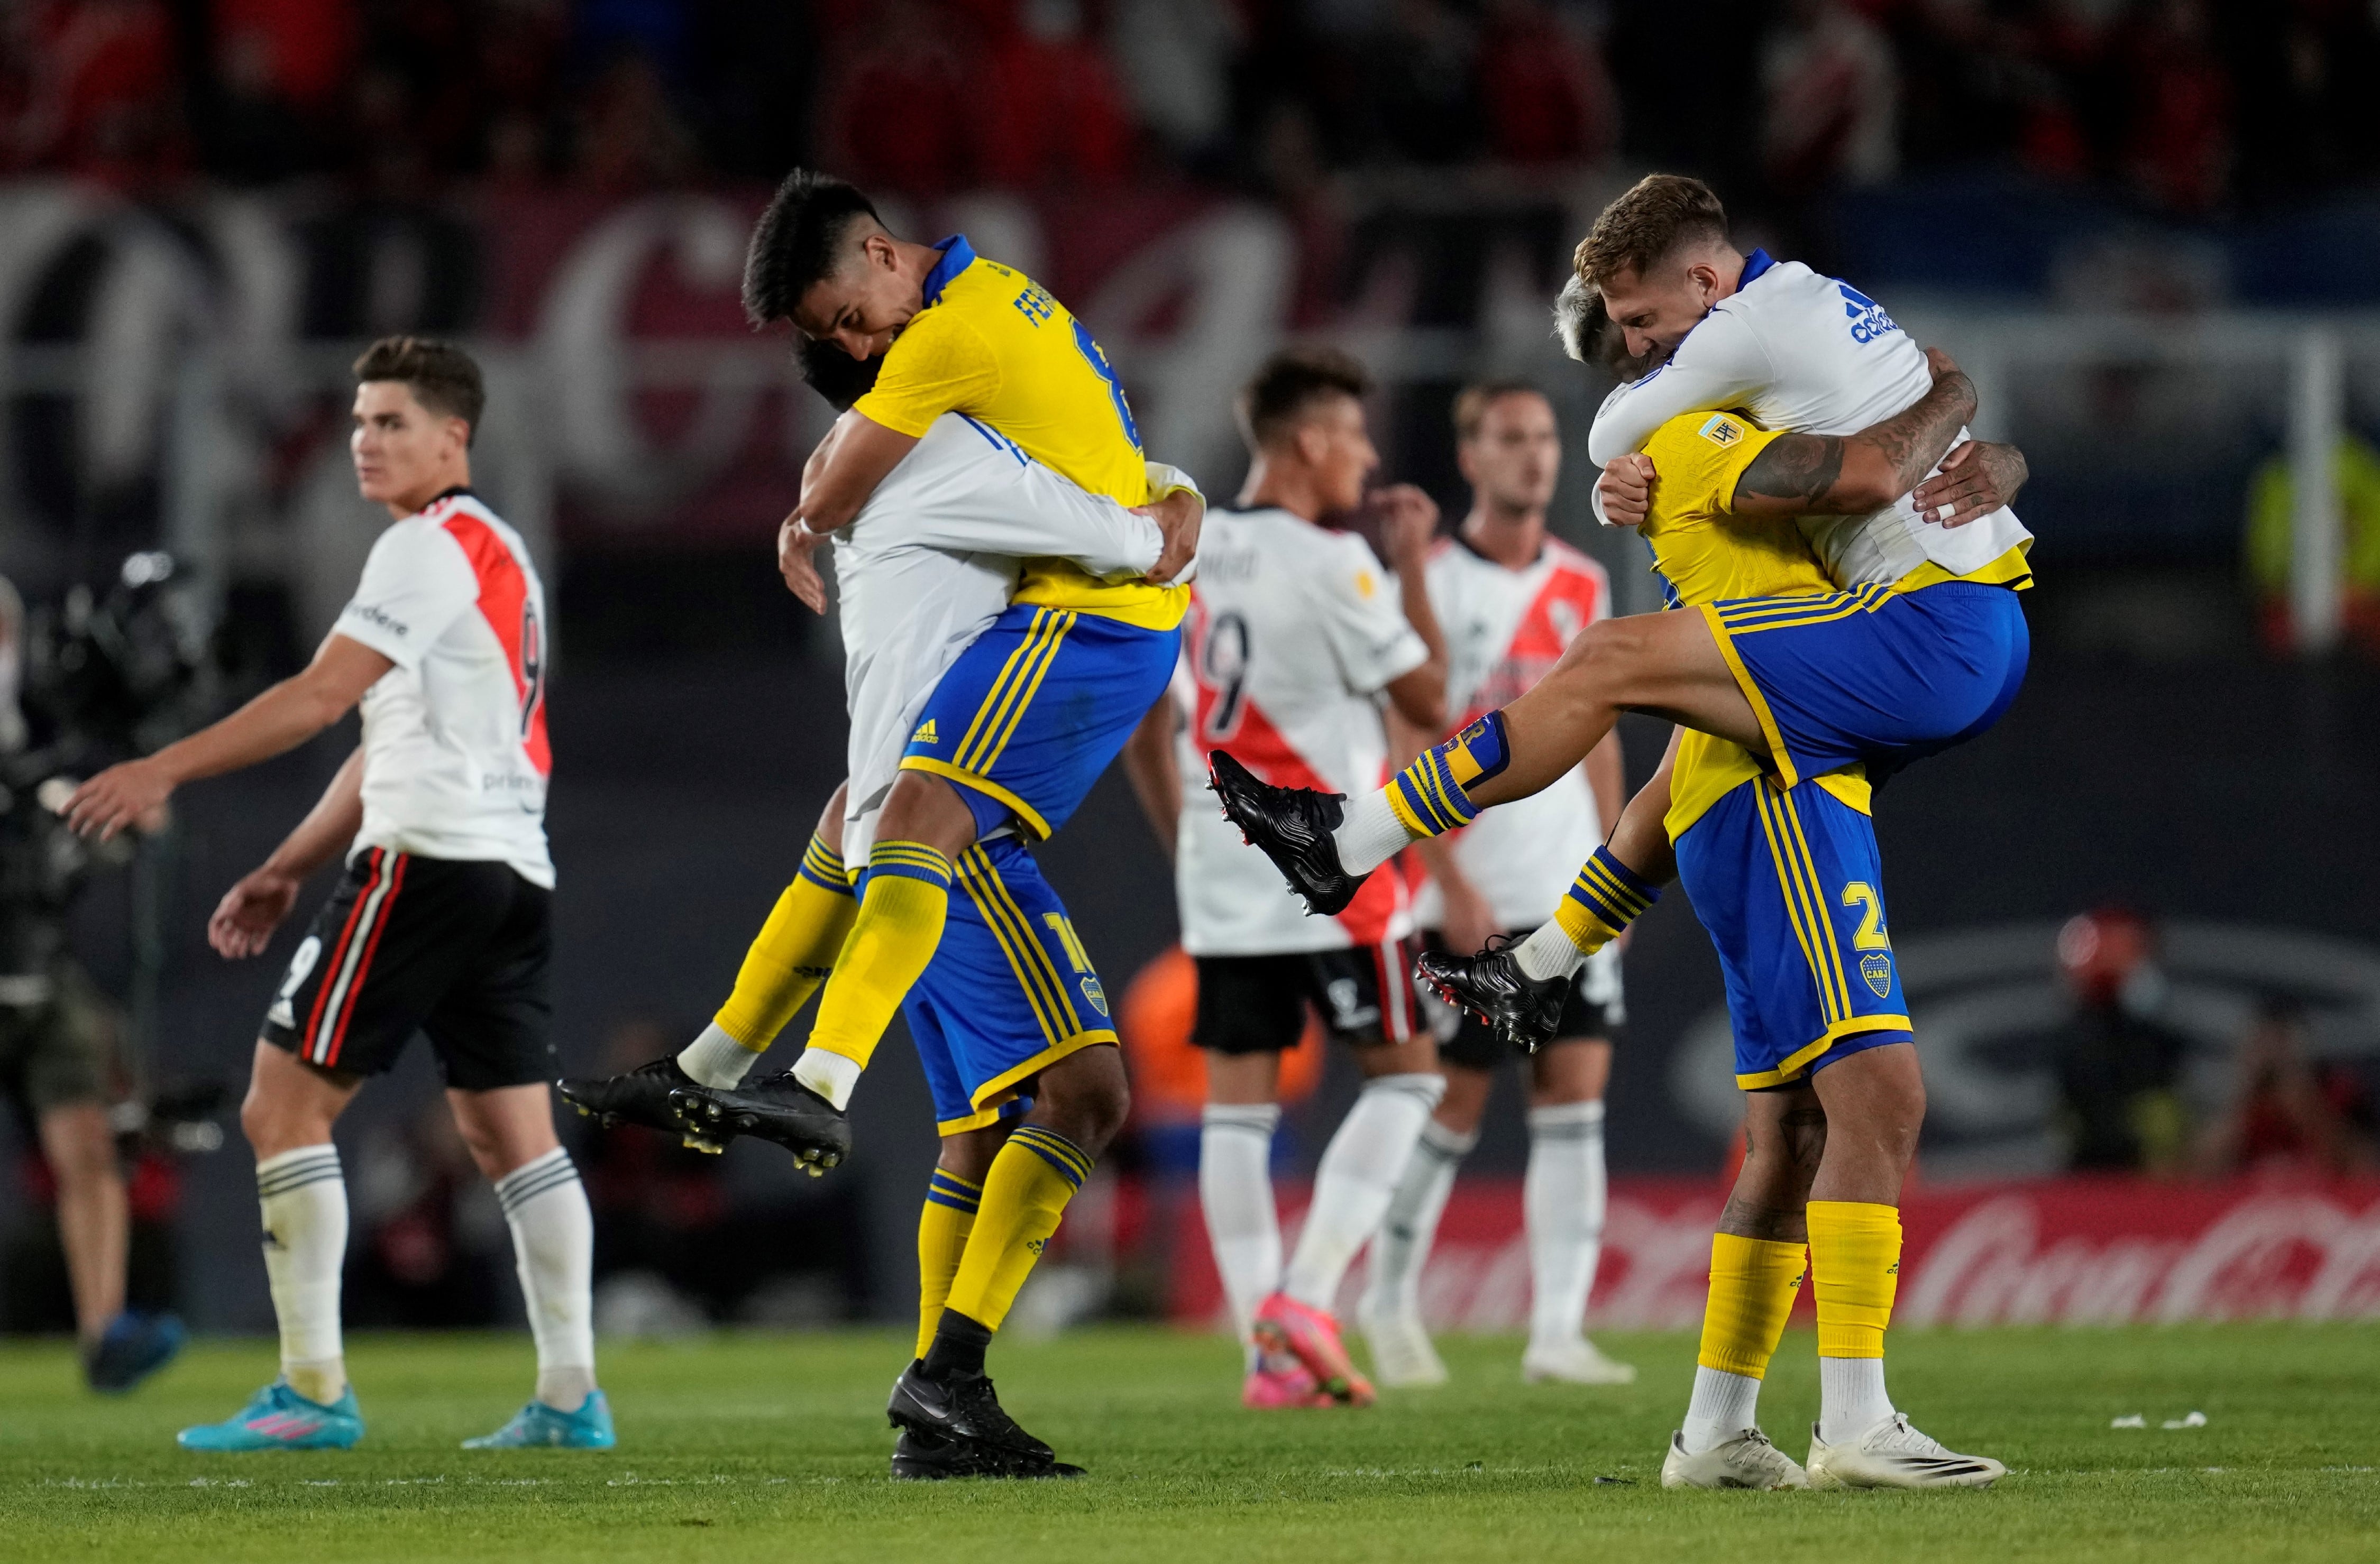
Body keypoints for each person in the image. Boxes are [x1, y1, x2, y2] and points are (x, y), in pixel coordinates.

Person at [569, 336, 1198, 1478]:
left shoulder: (844, 474)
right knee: (1090, 1095)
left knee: (976, 1130)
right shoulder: (949, 452)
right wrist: (1178, 497)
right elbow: (1123, 536)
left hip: (896, 815)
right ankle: (933, 1346)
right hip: (955, 842)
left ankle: (933, 1395)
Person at [1429, 372, 2025, 1489]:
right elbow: (1879, 462)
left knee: (1790, 1135)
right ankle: (1856, 1418)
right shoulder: (1722, 446)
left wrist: (1554, 950)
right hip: (1786, 802)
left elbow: (1660, 796)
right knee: (1880, 1096)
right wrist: (1959, 399)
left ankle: (1714, 1433)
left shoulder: (1737, 618)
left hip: (1728, 811)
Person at [1210, 174, 2034, 959]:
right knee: (1691, 758)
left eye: (1642, 324)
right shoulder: (1810, 296)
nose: (1644, 349)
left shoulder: (1734, 346)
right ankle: (1538, 964)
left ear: (1708, 281)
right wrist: (1964, 412)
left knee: (1609, 659)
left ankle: (1345, 842)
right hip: (1968, 625)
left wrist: (1957, 395)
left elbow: (1631, 440)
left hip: (1932, 626)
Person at [66, 337, 606, 1453]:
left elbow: (318, 699)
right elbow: (385, 734)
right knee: (515, 1138)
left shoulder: (422, 548)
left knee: (281, 1109)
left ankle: (313, 1391)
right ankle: (570, 1396)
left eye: (392, 422)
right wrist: (289, 865)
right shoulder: (499, 552)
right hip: (512, 870)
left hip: (426, 863)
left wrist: (162, 767)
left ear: (456, 437)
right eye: (359, 421)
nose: (365, 441)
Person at [1120, 348, 1449, 1409]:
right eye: (1354, 434)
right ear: (1310, 441)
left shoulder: (1184, 551)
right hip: (1332, 863)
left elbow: (1146, 725)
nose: (1366, 453)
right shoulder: (1336, 562)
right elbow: (1433, 700)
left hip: (1221, 867)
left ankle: (1265, 1353)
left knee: (1238, 1111)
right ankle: (1305, 1298)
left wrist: (1187, 846)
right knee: (1408, 1075)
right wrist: (1407, 565)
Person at [1357, 381, 1634, 1390]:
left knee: (1575, 1100)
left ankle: (1557, 1330)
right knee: (1449, 1106)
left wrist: (1615, 868)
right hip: (1469, 891)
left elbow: (1601, 732)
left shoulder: (1582, 580)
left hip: (1567, 892)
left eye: (1544, 438)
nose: (1534, 457)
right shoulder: (1429, 580)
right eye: (1509, 439)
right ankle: (1386, 1303)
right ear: (1470, 458)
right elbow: (1404, 736)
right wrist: (1441, 873)